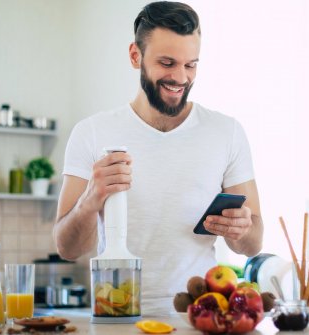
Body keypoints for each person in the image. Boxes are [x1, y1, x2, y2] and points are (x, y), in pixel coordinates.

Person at [53, 1, 263, 315]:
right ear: (135, 55)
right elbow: (68, 249)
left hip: (201, 314)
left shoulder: (227, 132)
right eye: (167, 63)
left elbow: (253, 243)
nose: (181, 77)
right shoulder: (92, 133)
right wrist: (91, 198)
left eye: (191, 64)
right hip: (117, 314)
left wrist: (242, 229)